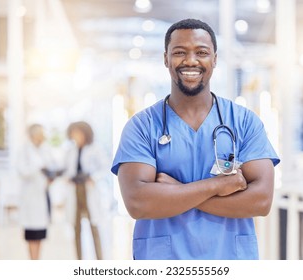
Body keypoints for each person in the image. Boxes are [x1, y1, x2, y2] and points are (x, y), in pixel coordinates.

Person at [111, 18, 280, 260]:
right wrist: (217, 186)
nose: (191, 60)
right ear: (166, 59)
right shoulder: (142, 126)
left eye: (201, 52)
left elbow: (261, 201)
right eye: (180, 52)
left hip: (230, 260)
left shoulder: (244, 122)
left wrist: (177, 193)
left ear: (215, 59)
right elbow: (138, 203)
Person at [17, 124, 59, 260]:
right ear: (33, 135)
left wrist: (50, 175)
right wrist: (38, 167)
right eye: (40, 134)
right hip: (30, 197)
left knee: (40, 233)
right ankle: (33, 262)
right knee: (31, 233)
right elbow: (23, 171)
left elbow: (52, 164)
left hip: (43, 195)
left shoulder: (44, 149)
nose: (42, 137)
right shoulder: (24, 150)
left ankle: (37, 261)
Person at [63, 121, 104, 260]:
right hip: (75, 189)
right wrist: (68, 177)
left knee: (94, 225)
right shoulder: (70, 150)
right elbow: (66, 169)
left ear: (85, 133)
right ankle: (78, 260)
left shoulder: (95, 148)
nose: (75, 136)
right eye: (73, 133)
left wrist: (93, 177)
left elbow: (104, 167)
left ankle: (100, 259)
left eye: (78, 133)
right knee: (76, 227)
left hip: (88, 188)